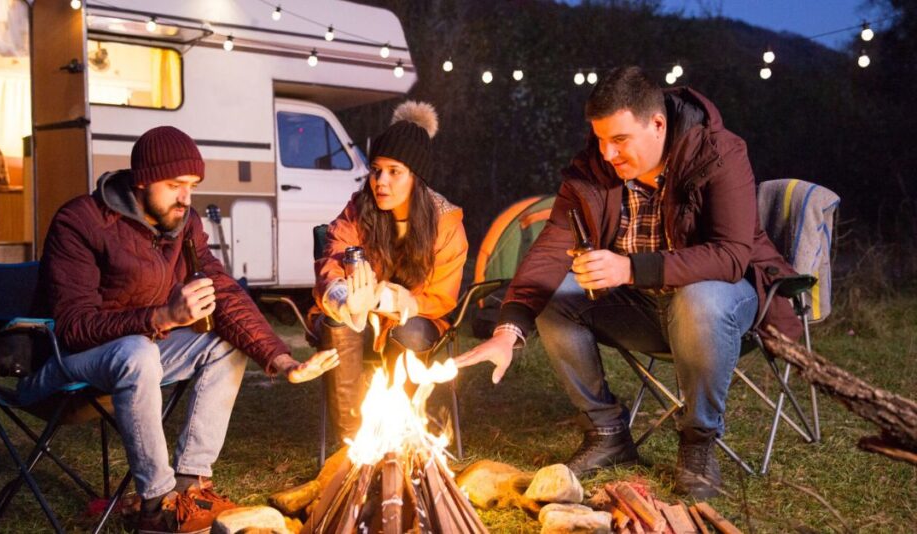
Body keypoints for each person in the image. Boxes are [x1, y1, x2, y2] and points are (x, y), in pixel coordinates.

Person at [455, 67, 801, 499]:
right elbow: (548, 251)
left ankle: (698, 442)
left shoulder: (718, 153)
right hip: (643, 307)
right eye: (600, 139)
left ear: (657, 124)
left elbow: (730, 256)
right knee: (557, 297)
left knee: (699, 298)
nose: (608, 153)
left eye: (619, 140)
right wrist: (509, 330)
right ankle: (607, 434)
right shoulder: (593, 171)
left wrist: (629, 269)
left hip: (723, 305)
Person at [18, 126, 339, 533]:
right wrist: (161, 318)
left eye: (191, 186)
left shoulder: (183, 225)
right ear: (142, 180)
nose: (186, 198)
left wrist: (282, 359)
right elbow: (73, 327)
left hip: (138, 356)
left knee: (224, 343)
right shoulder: (80, 221)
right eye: (174, 185)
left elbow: (222, 291)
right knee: (138, 351)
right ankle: (156, 505)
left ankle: (192, 486)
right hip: (63, 364)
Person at [311, 101, 468, 442]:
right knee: (339, 319)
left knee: (408, 331)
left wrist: (385, 300)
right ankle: (352, 443)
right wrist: (343, 296)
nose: (381, 181)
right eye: (376, 170)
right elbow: (334, 256)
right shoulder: (359, 209)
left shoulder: (445, 223)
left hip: (416, 318)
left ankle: (399, 433)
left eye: (394, 171)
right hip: (360, 319)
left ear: (417, 177)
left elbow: (440, 297)